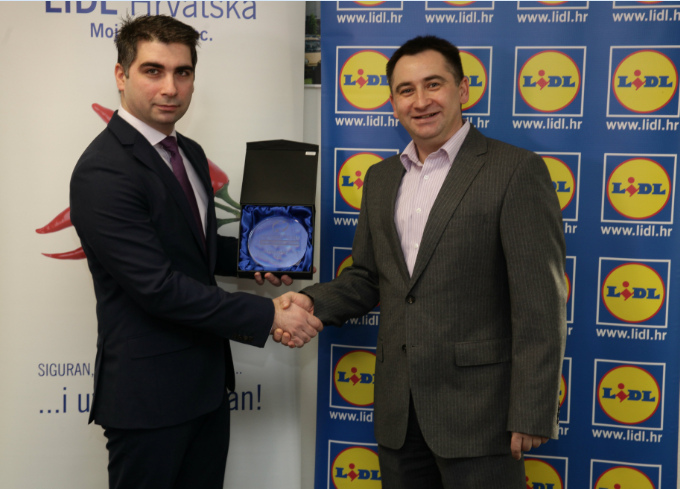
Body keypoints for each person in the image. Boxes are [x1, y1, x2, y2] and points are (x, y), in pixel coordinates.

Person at [276, 36, 566, 488]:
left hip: (481, 416)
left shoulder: (515, 170)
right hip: (398, 412)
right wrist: (311, 303)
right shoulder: (380, 179)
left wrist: (530, 410)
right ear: (393, 103)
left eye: (434, 84)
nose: (420, 100)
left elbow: (540, 305)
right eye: (406, 90)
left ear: (462, 89)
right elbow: (367, 278)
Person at [70, 14, 322, 489]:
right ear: (121, 75)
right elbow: (158, 287)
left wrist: (261, 257)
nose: (171, 87)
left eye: (182, 72)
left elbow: (194, 251)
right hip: (148, 401)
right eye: (153, 71)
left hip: (205, 387)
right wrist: (269, 315)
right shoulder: (103, 170)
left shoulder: (187, 151)